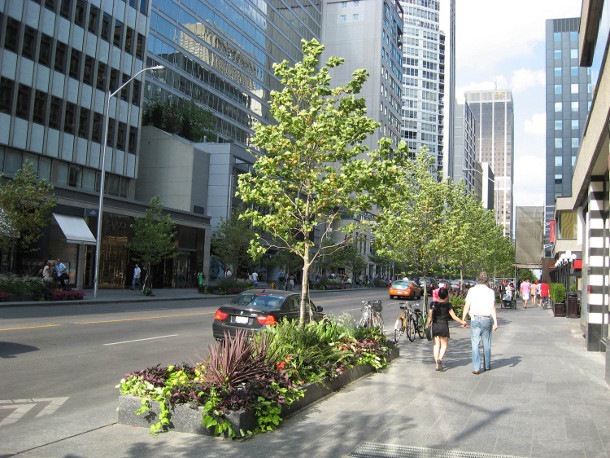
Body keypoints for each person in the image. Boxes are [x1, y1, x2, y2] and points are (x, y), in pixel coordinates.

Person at [462, 271, 498, 374]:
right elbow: (492, 307)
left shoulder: (472, 291)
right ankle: (486, 365)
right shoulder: (490, 292)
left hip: (475, 318)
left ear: (478, 279)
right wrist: (495, 322)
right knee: (487, 343)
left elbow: (467, 305)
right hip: (486, 318)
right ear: (487, 280)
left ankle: (476, 367)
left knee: (475, 343)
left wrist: (463, 319)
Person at [425, 287, 467, 371]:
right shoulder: (448, 305)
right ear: (446, 296)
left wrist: (427, 326)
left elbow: (430, 317)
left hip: (435, 326)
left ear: (438, 295)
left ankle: (437, 363)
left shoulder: (433, 304)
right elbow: (453, 316)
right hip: (444, 326)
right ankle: (440, 358)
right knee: (444, 345)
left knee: (436, 345)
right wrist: (462, 322)